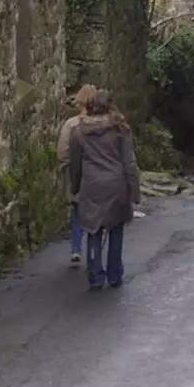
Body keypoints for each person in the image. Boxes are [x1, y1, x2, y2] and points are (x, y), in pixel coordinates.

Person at [68, 89, 141, 290]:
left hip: (92, 185)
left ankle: (95, 275)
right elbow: (129, 163)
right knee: (116, 229)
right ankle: (114, 273)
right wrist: (134, 190)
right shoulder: (120, 129)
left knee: (93, 230)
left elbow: (75, 164)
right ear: (111, 105)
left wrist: (75, 186)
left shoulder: (78, 132)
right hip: (116, 184)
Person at [56, 84, 98, 268]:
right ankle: (92, 250)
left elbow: (62, 151)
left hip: (76, 174)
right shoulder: (101, 122)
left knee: (76, 211)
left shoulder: (71, 124)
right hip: (96, 174)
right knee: (95, 214)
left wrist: (66, 166)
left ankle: (75, 249)